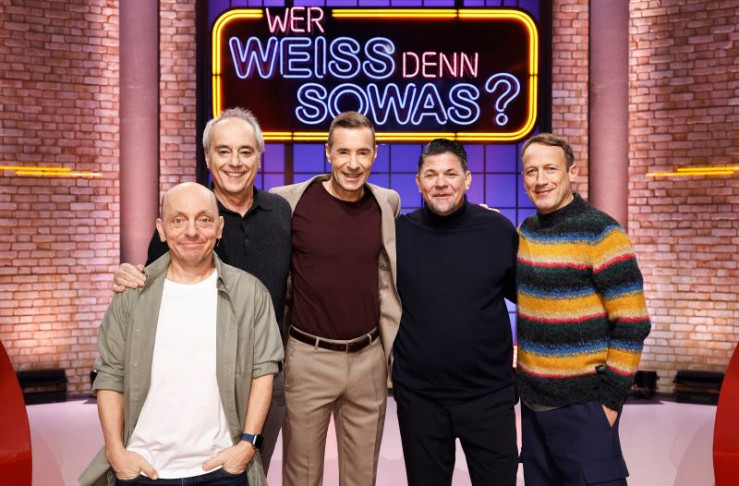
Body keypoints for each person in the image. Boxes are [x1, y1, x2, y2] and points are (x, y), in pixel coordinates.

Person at [112, 107, 291, 472]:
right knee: (199, 471)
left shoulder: (280, 213)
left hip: (264, 375)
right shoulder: (189, 221)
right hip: (197, 381)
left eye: (245, 151)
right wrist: (128, 275)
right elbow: (150, 284)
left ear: (259, 157)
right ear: (208, 157)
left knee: (252, 469)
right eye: (223, 151)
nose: (235, 162)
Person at [80, 182, 284, 486]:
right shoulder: (131, 294)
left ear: (219, 228)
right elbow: (110, 374)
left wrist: (247, 445)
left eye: (204, 220)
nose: (191, 231)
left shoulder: (250, 293)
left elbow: (262, 372)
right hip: (144, 468)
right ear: (161, 230)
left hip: (223, 468)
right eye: (178, 220)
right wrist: (116, 451)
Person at [269, 111, 402, 486]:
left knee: (362, 478)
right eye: (344, 152)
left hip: (368, 360)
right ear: (328, 153)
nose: (353, 164)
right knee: (302, 477)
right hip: (308, 358)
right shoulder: (289, 202)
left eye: (363, 152)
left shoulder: (387, 203)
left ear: (375, 154)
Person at [516, 133, 651, 485]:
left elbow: (633, 322)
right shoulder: (526, 232)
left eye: (550, 169)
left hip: (585, 407)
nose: (540, 180)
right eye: (531, 171)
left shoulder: (601, 232)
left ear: (571, 172)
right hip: (533, 407)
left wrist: (610, 402)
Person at [391, 138, 519, 485]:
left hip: (489, 396)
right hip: (420, 399)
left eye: (450, 173)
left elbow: (527, 297)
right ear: (418, 182)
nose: (441, 183)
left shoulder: (497, 230)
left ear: (467, 179)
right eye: (431, 175)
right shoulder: (398, 235)